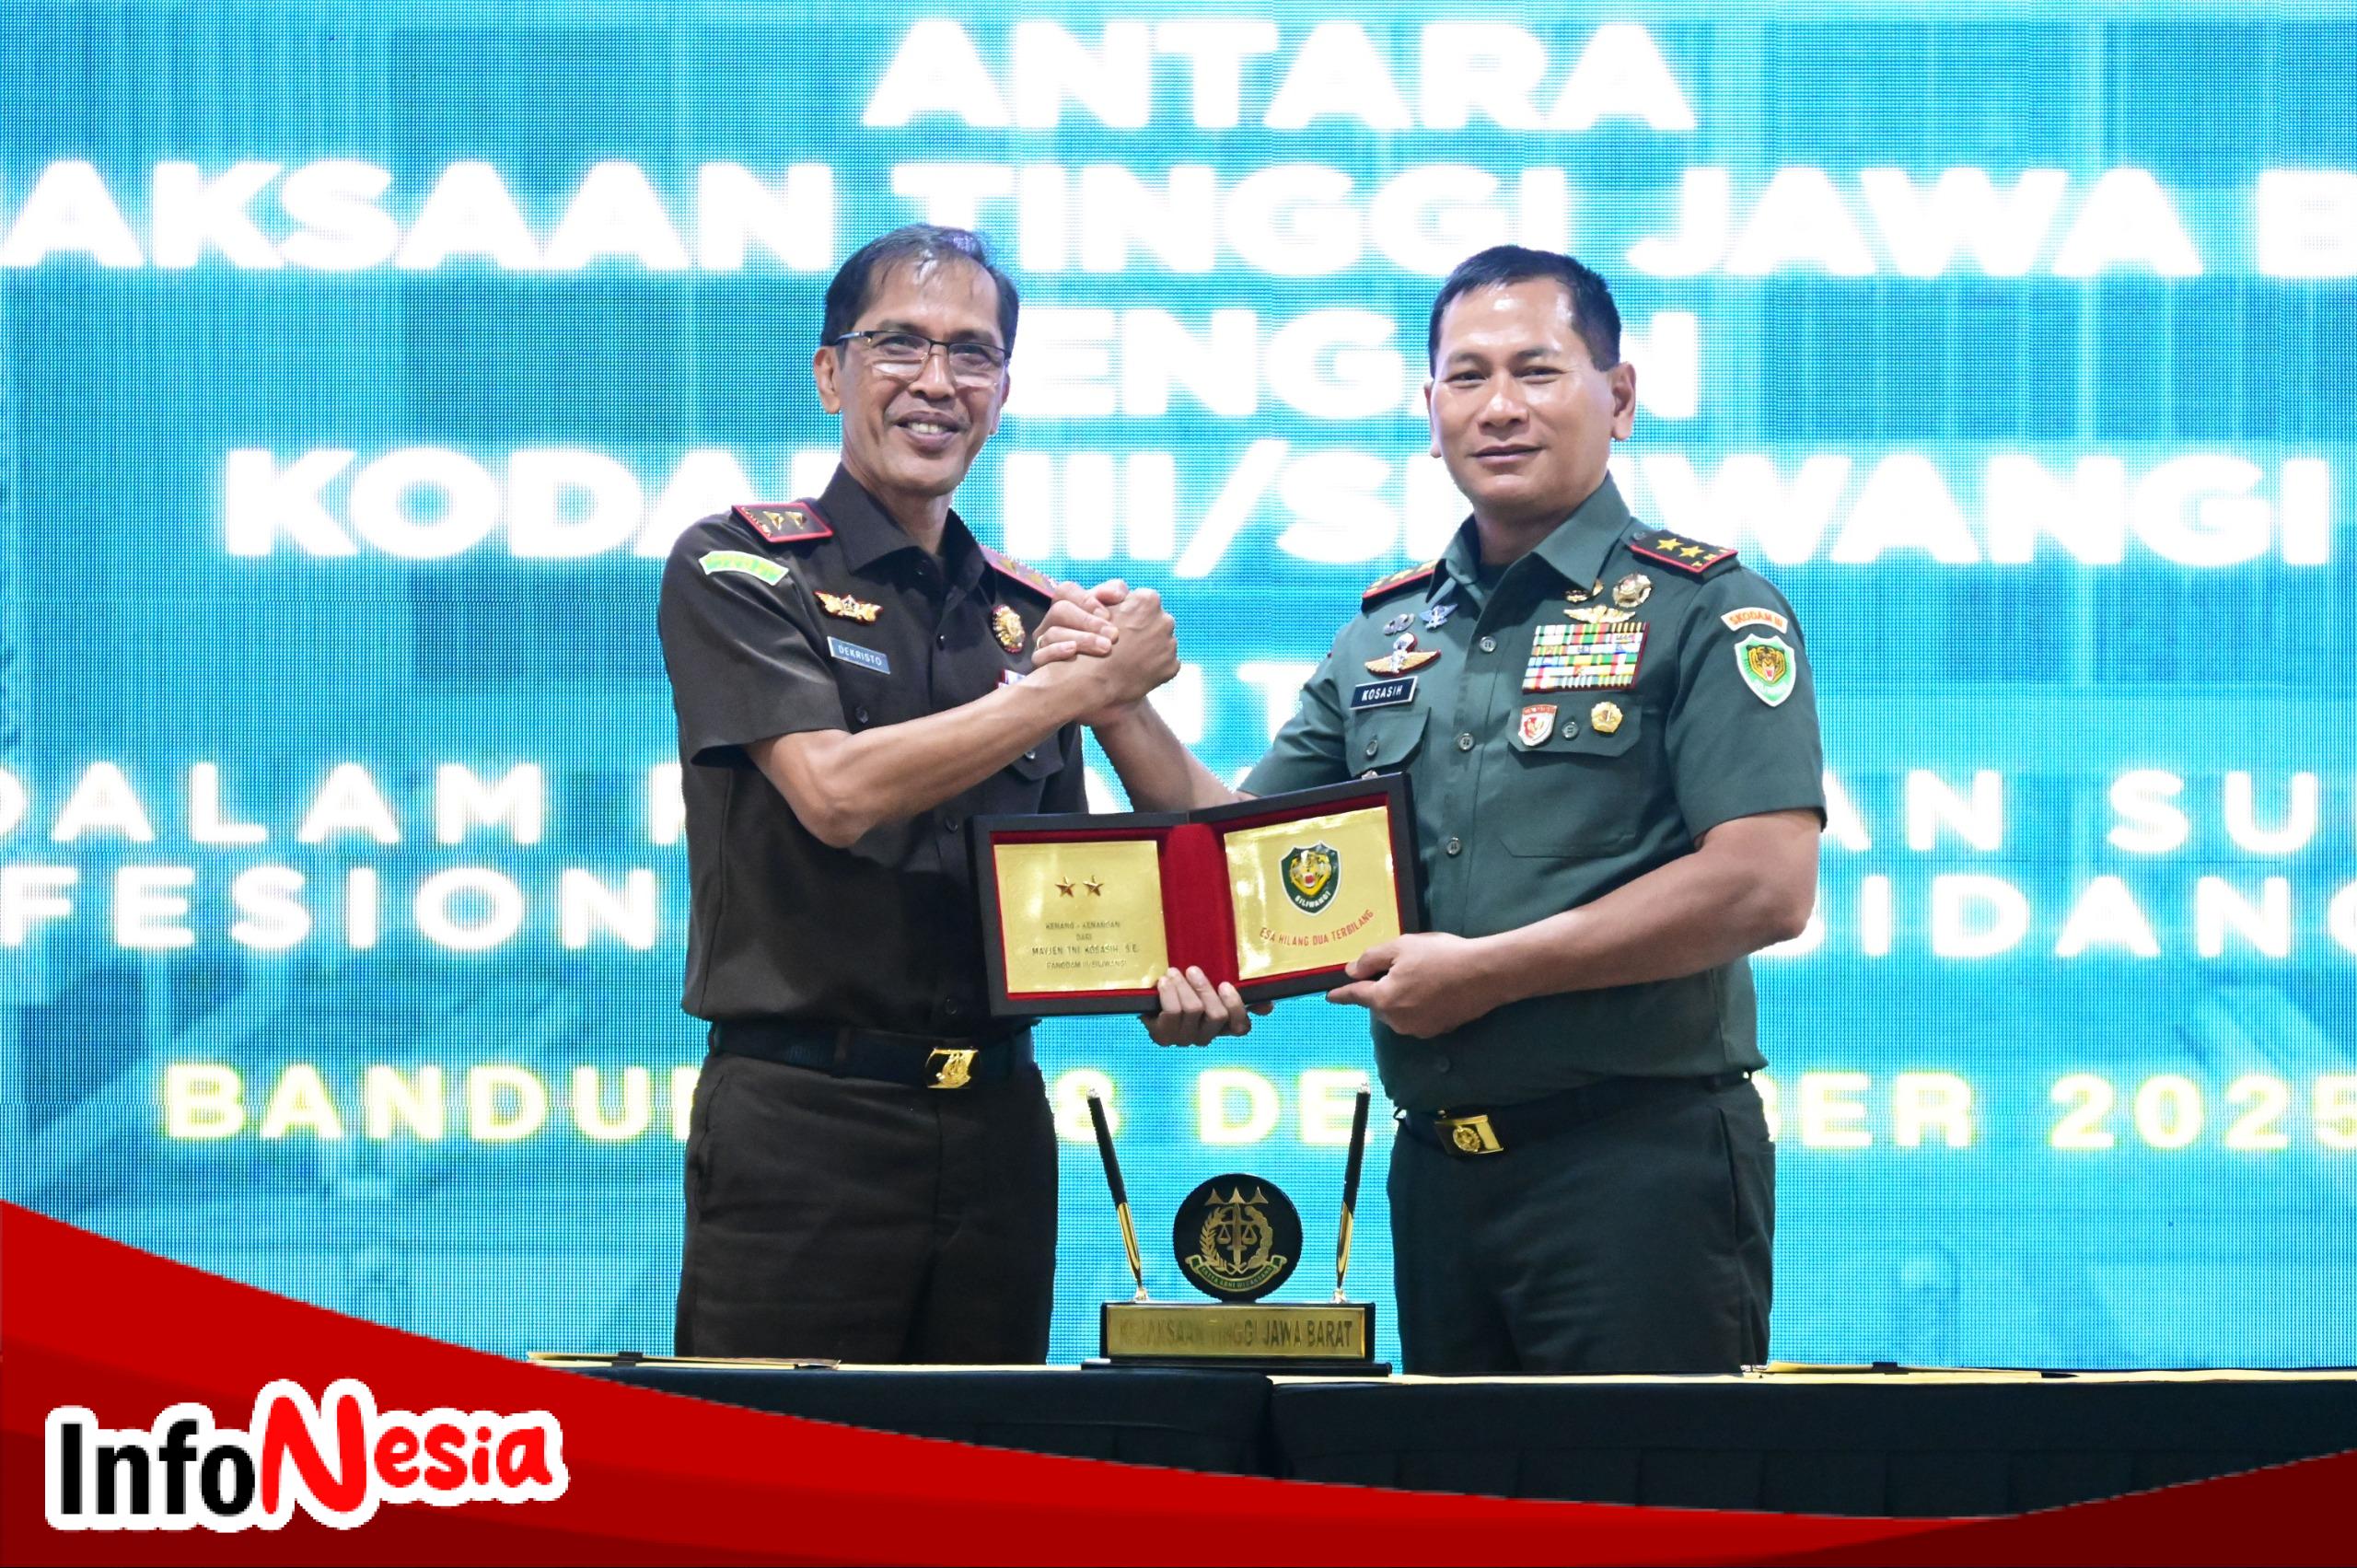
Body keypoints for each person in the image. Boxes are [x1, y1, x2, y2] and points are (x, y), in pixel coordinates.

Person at [1037, 246, 1824, 1374]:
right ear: (1430, 408)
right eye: (1467, 376)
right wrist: (1117, 705)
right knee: (1456, 1487)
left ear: (1619, 396)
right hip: (1441, 1178)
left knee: (1639, 1484)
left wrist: (1489, 971)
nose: (1499, 406)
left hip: (1637, 1166)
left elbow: (1763, 883)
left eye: (1536, 370)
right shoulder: (1386, 634)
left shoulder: (1705, 607)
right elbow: (1244, 854)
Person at [656, 224, 1178, 1362]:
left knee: (975, 1463)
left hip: (998, 1128)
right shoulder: (742, 567)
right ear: (829, 372)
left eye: (971, 353)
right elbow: (834, 794)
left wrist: (1173, 973)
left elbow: (1074, 880)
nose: (936, 381)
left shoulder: (1027, 618)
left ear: (1002, 392)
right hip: (805, 1124)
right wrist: (1071, 688)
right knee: (779, 1460)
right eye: (899, 344)